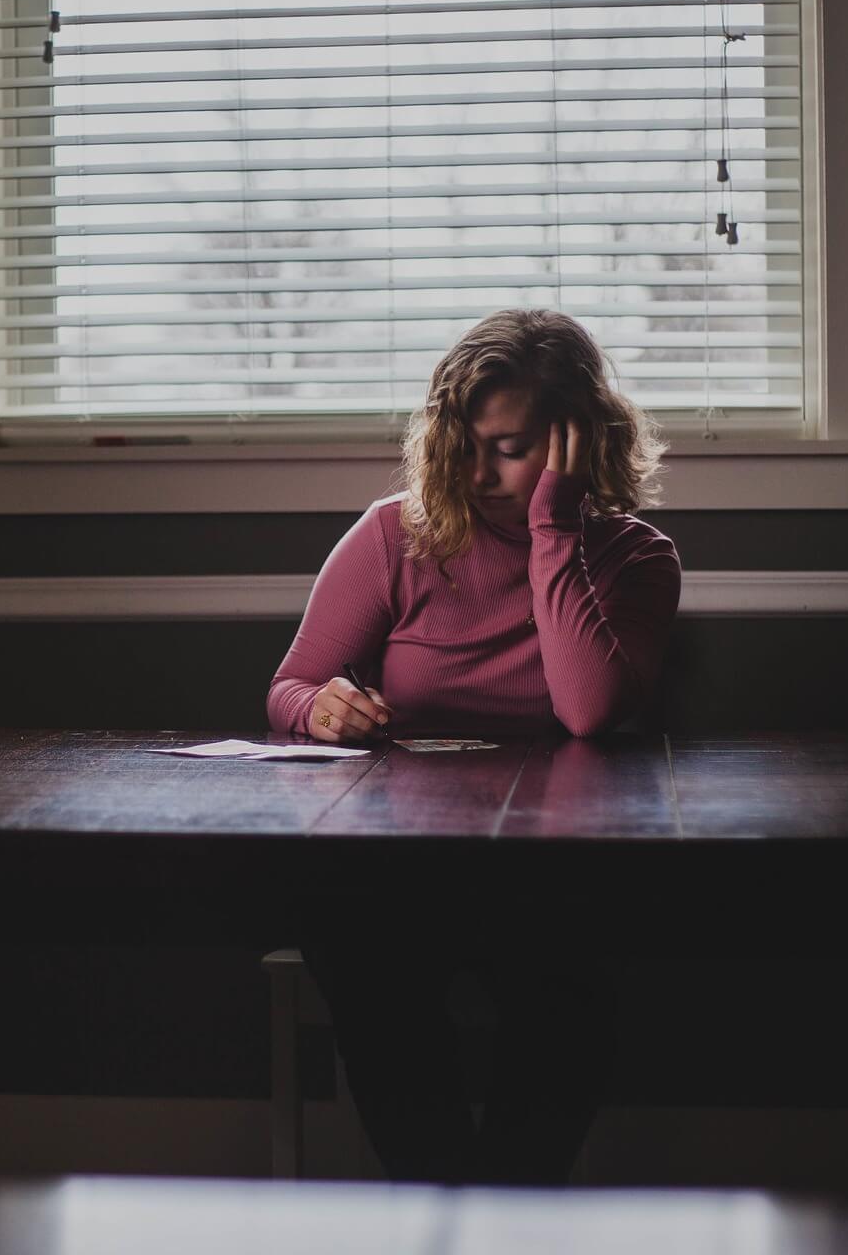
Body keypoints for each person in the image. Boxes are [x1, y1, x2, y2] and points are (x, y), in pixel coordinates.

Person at [266, 307, 682, 1184]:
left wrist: (554, 533)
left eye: (511, 447)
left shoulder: (636, 559)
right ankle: (446, 1202)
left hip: (553, 857)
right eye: (467, 442)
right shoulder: (394, 534)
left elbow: (589, 712)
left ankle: (507, 1210)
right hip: (402, 855)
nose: (478, 470)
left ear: (581, 442)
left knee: (568, 1002)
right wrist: (324, 710)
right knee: (374, 979)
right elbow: (290, 687)